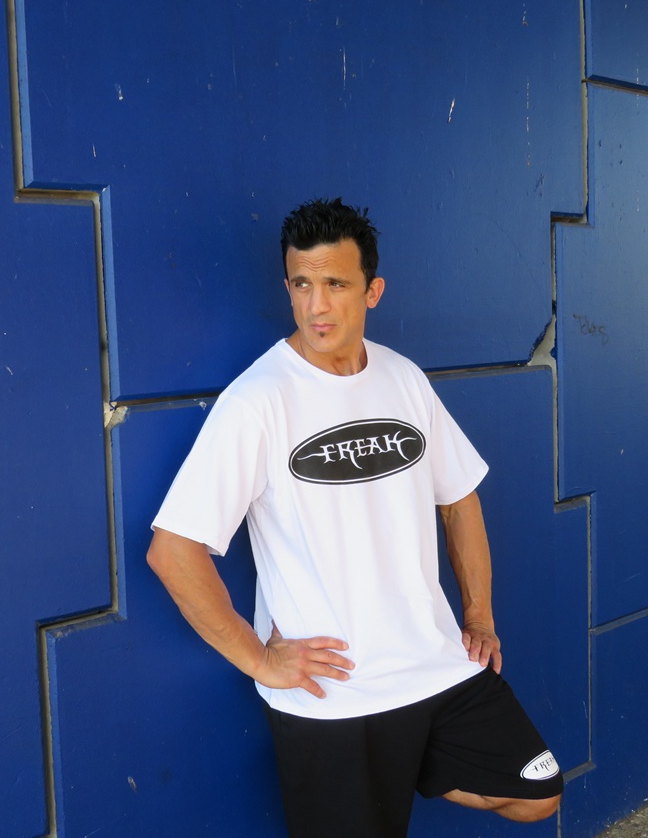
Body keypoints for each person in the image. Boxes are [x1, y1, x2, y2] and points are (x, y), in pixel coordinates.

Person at [147, 198, 562, 837]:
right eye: (301, 285)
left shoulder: (403, 378)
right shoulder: (257, 401)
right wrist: (260, 661)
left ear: (373, 291)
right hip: (332, 695)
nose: (316, 306)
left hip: (433, 664)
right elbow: (172, 551)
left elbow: (459, 498)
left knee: (536, 793)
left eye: (336, 285)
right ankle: (388, 767)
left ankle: (404, 764)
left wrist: (478, 615)